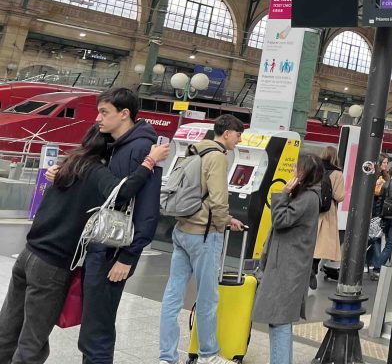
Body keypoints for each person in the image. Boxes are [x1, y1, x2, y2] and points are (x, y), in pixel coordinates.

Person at [0, 126, 168, 364]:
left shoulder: (69, 164)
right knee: (32, 342)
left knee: (7, 329)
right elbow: (124, 192)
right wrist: (150, 161)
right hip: (51, 265)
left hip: (27, 255)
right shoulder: (96, 172)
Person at [79, 88, 163, 364]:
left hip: (114, 252)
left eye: (105, 112)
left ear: (124, 114)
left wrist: (128, 257)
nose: (98, 119)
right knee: (92, 325)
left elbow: (148, 209)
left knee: (98, 328)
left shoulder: (140, 148)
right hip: (101, 245)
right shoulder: (114, 146)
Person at [158, 115, 246, 364]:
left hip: (181, 230)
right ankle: (209, 355)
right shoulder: (218, 157)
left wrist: (227, 219)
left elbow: (197, 195)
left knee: (173, 295)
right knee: (207, 297)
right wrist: (220, 225)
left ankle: (167, 357)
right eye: (238, 136)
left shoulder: (194, 152)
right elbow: (218, 199)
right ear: (227, 133)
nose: (238, 141)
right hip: (204, 236)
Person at [252, 154, 323, 364]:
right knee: (280, 319)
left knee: (279, 319)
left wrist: (282, 194)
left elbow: (281, 220)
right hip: (286, 264)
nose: (292, 170)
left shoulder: (308, 198)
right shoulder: (304, 195)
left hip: (288, 268)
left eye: (296, 167)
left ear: (305, 173)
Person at [310, 146, 345, 288]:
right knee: (322, 243)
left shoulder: (315, 168)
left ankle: (308, 268)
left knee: (311, 239)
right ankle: (313, 269)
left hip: (312, 206)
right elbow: (339, 196)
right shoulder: (337, 173)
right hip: (327, 210)